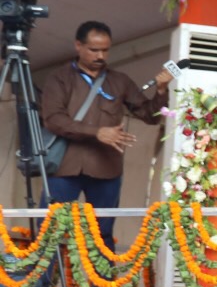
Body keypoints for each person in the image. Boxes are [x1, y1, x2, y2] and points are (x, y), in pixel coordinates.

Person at [37, 21, 171, 245]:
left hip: (106, 169)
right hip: (64, 166)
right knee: (50, 231)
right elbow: (53, 119)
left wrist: (161, 90)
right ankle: (44, 281)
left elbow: (151, 116)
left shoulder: (120, 81)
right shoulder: (59, 78)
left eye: (105, 50)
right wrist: (96, 132)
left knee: (102, 235)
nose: (100, 55)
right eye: (94, 49)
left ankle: (101, 282)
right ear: (78, 45)